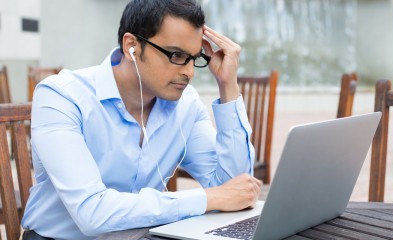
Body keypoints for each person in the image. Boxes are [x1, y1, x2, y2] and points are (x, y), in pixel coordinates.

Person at [21, 0, 262, 239]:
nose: (189, 72)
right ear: (131, 46)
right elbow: (91, 212)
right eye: (176, 55)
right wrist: (208, 198)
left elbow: (235, 190)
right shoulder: (62, 96)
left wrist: (228, 85)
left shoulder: (186, 104)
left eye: (194, 58)